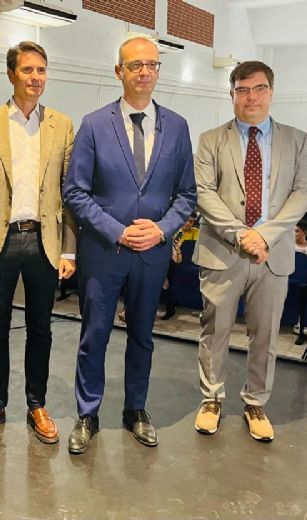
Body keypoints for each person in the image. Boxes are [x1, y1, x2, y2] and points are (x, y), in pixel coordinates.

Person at [62, 36, 196, 453]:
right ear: (119, 71)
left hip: (152, 254)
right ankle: (88, 412)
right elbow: (75, 191)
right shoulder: (93, 125)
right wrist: (118, 230)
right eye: (135, 65)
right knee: (94, 335)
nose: (144, 72)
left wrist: (161, 230)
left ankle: (135, 409)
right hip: (104, 252)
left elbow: (186, 194)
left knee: (142, 336)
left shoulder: (177, 127)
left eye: (152, 64)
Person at [0, 41, 76, 445]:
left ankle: (37, 404)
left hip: (45, 241)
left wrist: (69, 249)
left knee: (41, 328)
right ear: (11, 74)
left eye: (41, 70)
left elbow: (70, 192)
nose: (35, 77)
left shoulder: (61, 124)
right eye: (27, 70)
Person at [193, 61, 307, 442]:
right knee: (215, 330)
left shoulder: (296, 140)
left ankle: (256, 403)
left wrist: (264, 236)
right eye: (242, 90)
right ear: (232, 94)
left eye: (259, 89)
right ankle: (211, 399)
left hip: (272, 255)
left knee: (265, 335)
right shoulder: (211, 140)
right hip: (222, 251)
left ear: (271, 92)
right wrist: (242, 235)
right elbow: (204, 193)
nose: (251, 97)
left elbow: (302, 192)